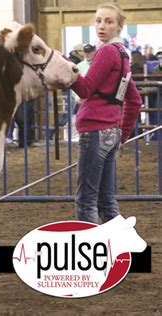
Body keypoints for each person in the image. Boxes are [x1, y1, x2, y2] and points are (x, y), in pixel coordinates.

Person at [70, 2, 142, 224]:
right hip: (112, 132)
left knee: (86, 201)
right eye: (98, 20)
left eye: (109, 21)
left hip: (95, 131)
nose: (101, 26)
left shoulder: (106, 52)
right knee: (107, 201)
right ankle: (121, 247)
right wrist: (123, 135)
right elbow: (135, 100)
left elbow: (85, 88)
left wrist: (66, 69)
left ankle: (91, 250)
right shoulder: (123, 55)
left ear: (119, 28)